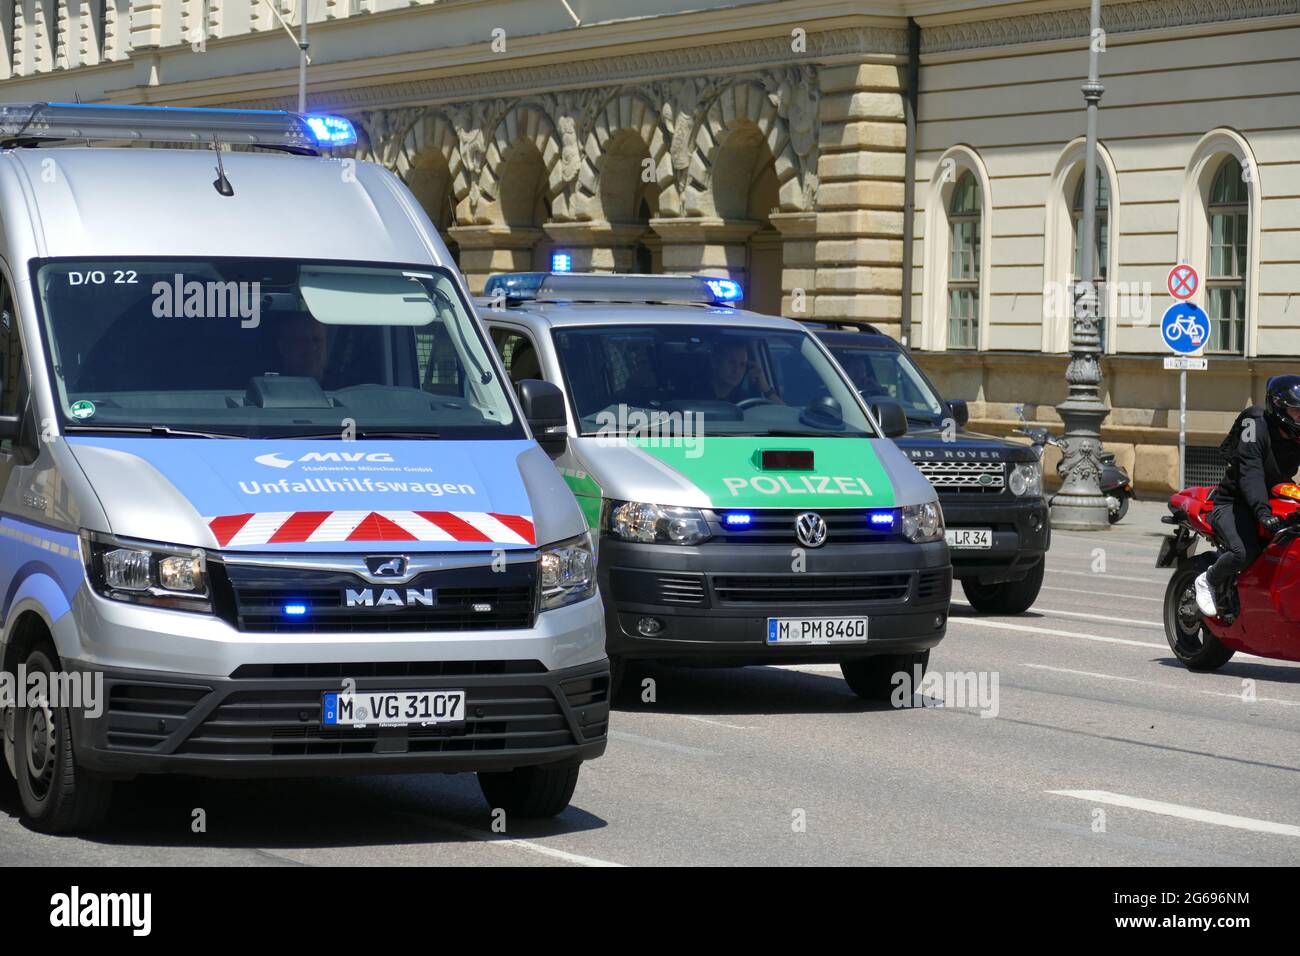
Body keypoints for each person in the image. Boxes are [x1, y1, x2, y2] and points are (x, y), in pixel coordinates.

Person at [1195, 375, 1300, 616]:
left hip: (1275, 502)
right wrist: (1262, 511)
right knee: (1244, 552)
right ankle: (1208, 579)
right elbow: (1250, 471)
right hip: (1235, 502)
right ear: (1279, 407)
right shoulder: (1254, 424)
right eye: (1296, 411)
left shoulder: (1296, 436)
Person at [709, 339, 781, 404]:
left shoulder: (746, 400)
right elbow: (700, 419)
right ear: (715, 362)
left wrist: (766, 388)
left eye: (742, 364)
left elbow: (786, 415)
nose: (736, 370)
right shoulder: (699, 396)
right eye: (731, 362)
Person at [275, 311, 329, 381]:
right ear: (282, 347)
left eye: (317, 340)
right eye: (302, 340)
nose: (312, 347)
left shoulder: (343, 390)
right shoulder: (272, 389)